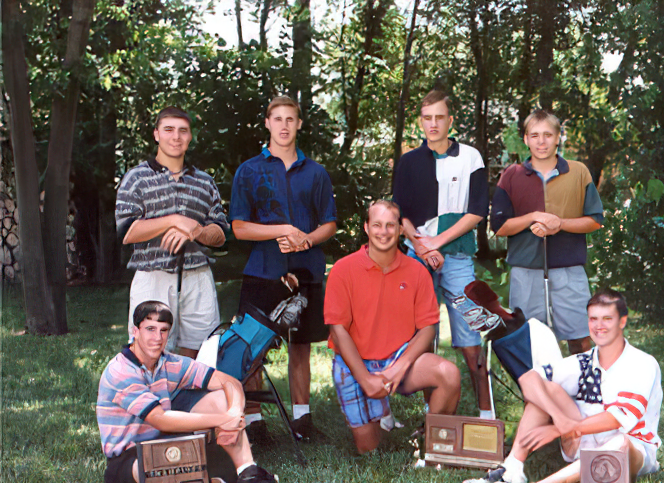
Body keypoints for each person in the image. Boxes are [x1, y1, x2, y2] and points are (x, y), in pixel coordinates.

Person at [472, 289, 662, 483]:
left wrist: (561, 428)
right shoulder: (581, 362)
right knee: (547, 388)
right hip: (581, 441)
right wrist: (561, 419)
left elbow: (616, 419)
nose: (599, 326)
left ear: (622, 321)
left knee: (619, 444)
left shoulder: (642, 363)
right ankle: (513, 468)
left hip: (632, 449)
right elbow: (529, 379)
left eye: (607, 319)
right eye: (593, 319)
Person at [97, 301, 290, 483]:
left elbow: (230, 382)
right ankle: (215, 482)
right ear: (134, 331)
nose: (157, 338)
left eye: (164, 330)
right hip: (130, 456)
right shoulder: (121, 370)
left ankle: (247, 472)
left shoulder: (170, 362)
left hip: (169, 442)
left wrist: (234, 413)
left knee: (220, 397)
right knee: (154, 474)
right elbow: (160, 419)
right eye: (150, 329)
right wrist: (222, 420)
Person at [229, 96, 337, 442]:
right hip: (263, 270)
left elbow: (330, 224)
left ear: (299, 124)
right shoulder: (249, 170)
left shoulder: (316, 173)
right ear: (267, 123)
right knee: (253, 347)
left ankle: (302, 421)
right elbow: (240, 228)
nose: (284, 126)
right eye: (277, 119)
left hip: (306, 271)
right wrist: (283, 231)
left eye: (291, 119)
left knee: (300, 346)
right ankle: (254, 422)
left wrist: (305, 240)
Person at [324, 200, 462, 453]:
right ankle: (381, 415)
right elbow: (337, 330)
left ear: (400, 230)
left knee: (449, 373)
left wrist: (398, 369)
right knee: (371, 451)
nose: (383, 232)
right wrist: (365, 378)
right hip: (356, 360)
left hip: (398, 355)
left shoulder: (417, 271)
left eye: (390, 225)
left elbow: (428, 327)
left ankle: (432, 444)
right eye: (377, 224)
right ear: (366, 228)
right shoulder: (343, 270)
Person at [392, 90, 492, 419]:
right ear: (420, 121)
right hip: (415, 255)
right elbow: (400, 214)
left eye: (439, 117)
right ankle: (426, 412)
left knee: (470, 337)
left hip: (458, 257)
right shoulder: (408, 162)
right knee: (418, 333)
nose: (433, 124)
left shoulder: (471, 158)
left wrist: (438, 243)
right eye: (427, 118)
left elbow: (476, 212)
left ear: (451, 120)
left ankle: (486, 416)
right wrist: (422, 245)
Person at [116, 106, 229, 359]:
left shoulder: (204, 182)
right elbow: (127, 231)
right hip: (153, 275)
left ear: (190, 137)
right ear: (156, 134)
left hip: (197, 276)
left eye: (182, 131)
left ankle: (186, 399)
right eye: (168, 130)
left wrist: (196, 230)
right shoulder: (136, 178)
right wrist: (176, 220)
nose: (175, 137)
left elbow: (221, 235)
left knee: (200, 354)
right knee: (150, 351)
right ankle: (154, 399)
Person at [491, 110, 604, 354]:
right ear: (525, 139)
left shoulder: (578, 171)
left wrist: (559, 224)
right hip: (525, 272)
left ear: (558, 137)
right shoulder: (512, 175)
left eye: (547, 135)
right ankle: (538, 392)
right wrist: (533, 217)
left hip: (569, 270)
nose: (541, 141)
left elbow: (595, 220)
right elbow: (499, 227)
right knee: (530, 343)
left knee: (581, 340)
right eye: (534, 135)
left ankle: (581, 391)